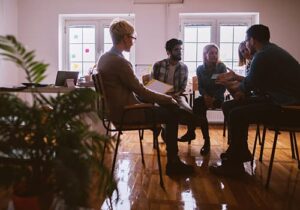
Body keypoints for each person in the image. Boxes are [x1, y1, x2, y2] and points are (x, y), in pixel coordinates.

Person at [96, 19, 194, 176]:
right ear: (126, 37)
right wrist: (167, 99)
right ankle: (173, 163)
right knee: (172, 111)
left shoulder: (104, 58)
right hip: (127, 113)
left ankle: (170, 152)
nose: (133, 42)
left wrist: (163, 98)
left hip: (117, 111)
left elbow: (137, 90)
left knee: (169, 108)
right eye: (133, 38)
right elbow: (140, 90)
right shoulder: (120, 62)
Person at [210, 24, 300, 177]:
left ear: (252, 40)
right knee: (228, 105)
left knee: (237, 113)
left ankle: (235, 165)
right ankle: (239, 150)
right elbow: (256, 84)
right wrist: (239, 88)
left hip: (287, 107)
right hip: (280, 101)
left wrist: (232, 87)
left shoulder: (262, 55)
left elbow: (248, 86)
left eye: (246, 41)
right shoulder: (270, 51)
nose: (245, 45)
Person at [152, 38, 197, 144]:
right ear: (168, 52)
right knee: (172, 111)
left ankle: (189, 133)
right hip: (160, 97)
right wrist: (167, 93)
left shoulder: (184, 67)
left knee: (190, 112)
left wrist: (174, 94)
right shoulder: (158, 65)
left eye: (180, 49)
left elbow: (182, 87)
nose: (179, 52)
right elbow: (153, 85)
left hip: (177, 97)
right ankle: (167, 134)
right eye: (176, 49)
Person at [193, 43, 226, 155]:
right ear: (205, 55)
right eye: (211, 53)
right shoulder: (200, 69)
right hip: (205, 97)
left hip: (218, 98)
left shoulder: (221, 67)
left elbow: (222, 85)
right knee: (198, 104)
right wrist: (206, 96)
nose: (214, 55)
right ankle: (206, 141)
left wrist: (213, 98)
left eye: (216, 53)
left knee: (199, 105)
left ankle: (191, 130)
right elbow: (201, 86)